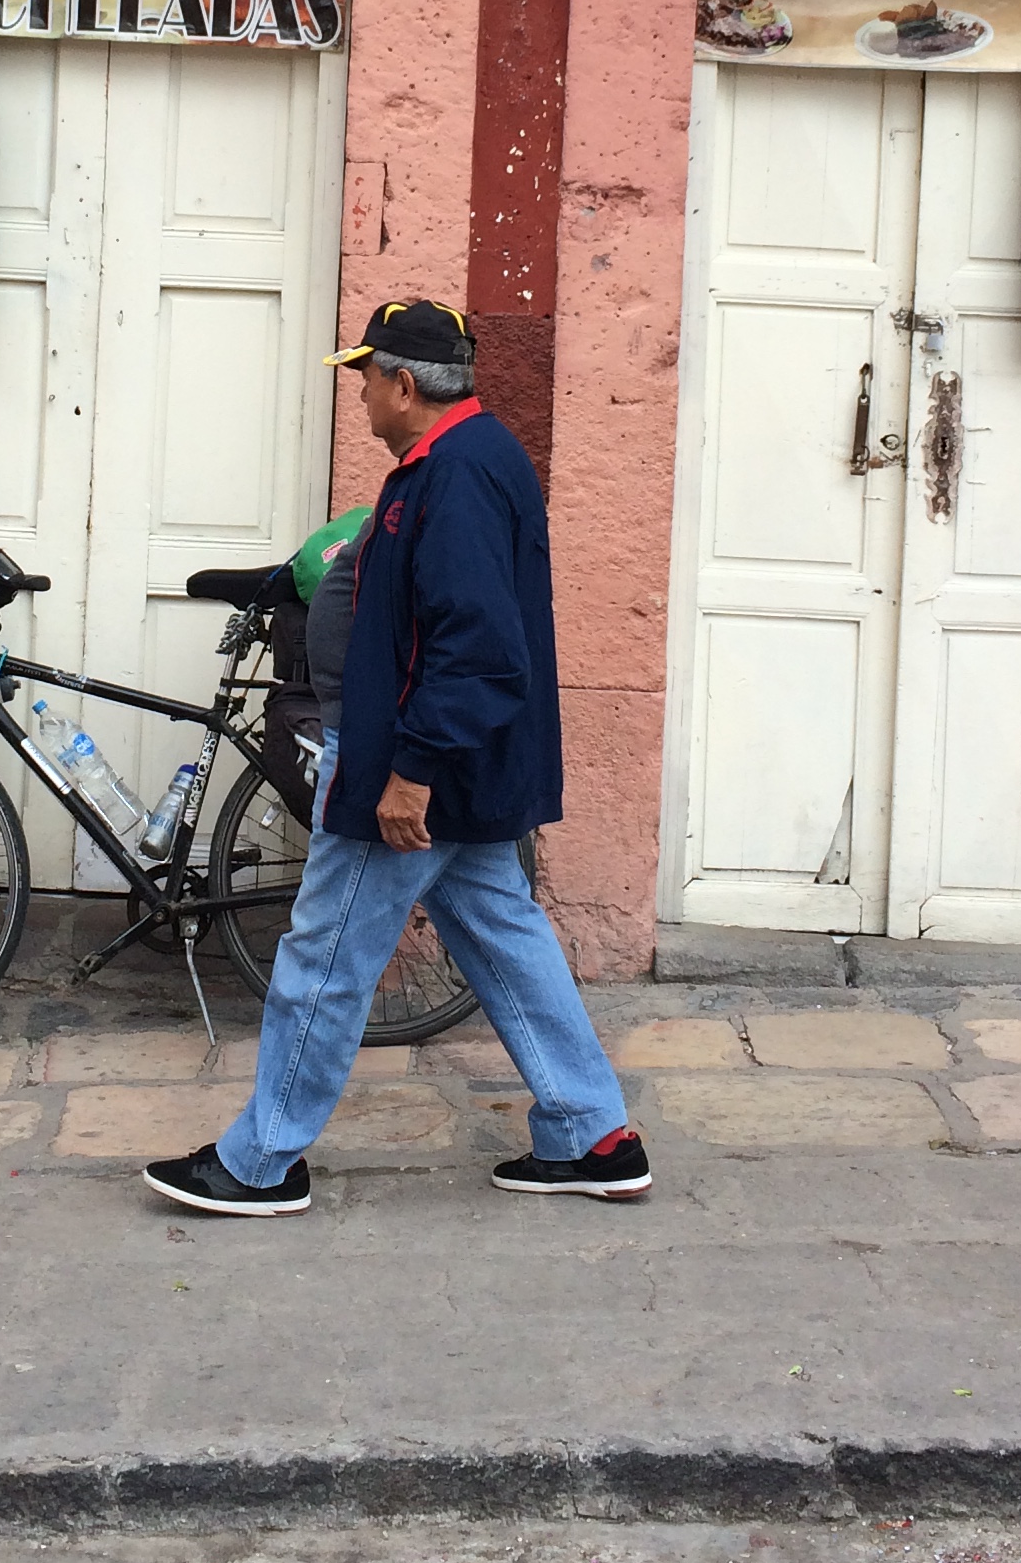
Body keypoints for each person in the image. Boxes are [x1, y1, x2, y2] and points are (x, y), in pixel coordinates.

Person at [144, 298, 649, 1219]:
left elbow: (475, 644)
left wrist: (410, 772)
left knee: (325, 956)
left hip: (414, 767)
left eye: (366, 379)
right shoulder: (464, 457)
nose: (362, 396)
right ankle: (593, 1135)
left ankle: (261, 1162)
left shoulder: (456, 474)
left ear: (405, 384)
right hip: (457, 763)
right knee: (504, 937)